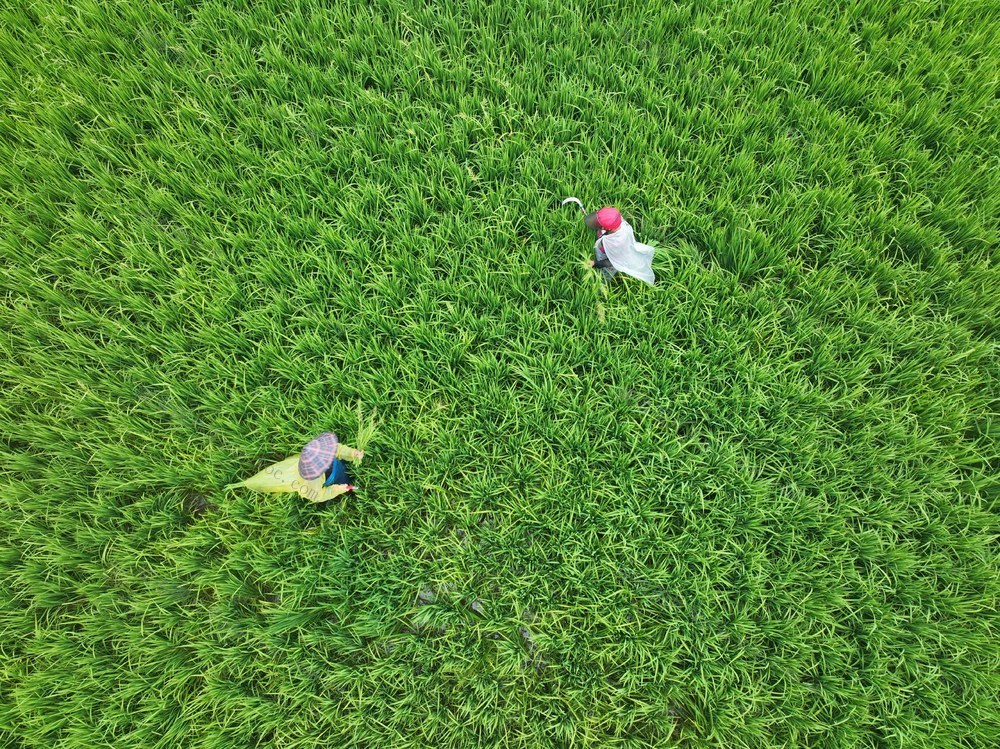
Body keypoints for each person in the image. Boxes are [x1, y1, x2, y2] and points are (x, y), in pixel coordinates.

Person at [228, 432, 364, 503]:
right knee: (344, 481)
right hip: (332, 479)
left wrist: (352, 453)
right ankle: (353, 488)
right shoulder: (310, 482)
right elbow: (318, 496)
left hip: (337, 466)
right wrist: (336, 489)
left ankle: (349, 473)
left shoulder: (324, 450)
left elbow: (338, 450)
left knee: (343, 467)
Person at [584, 206, 655, 285]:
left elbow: (612, 262)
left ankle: (602, 284)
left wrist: (595, 263)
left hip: (610, 261)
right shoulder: (618, 221)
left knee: (606, 273)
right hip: (610, 249)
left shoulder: (615, 243)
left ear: (607, 229)